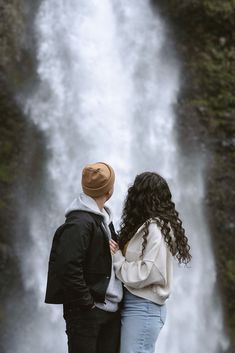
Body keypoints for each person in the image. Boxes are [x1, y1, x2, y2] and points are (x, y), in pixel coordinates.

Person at [45, 162, 123, 353]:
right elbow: (67, 268)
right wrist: (88, 304)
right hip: (87, 313)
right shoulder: (79, 224)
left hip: (109, 311)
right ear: (109, 190)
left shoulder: (104, 220)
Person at [110, 172, 192, 353]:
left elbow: (148, 272)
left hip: (143, 307)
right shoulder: (146, 227)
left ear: (140, 196)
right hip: (135, 304)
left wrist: (117, 258)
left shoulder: (155, 229)